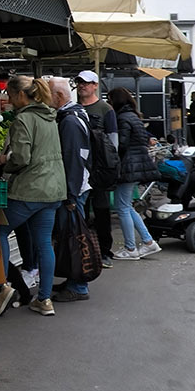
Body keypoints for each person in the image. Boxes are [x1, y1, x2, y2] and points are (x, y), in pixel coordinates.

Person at [0, 75, 65, 317]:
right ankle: (44, 300)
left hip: (29, 189)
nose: (9, 101)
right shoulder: (50, 116)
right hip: (53, 188)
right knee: (44, 243)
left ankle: (2, 287)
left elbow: (22, 158)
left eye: (10, 96)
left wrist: (4, 161)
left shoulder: (23, 119)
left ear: (21, 96)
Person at [47, 75, 93, 301]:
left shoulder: (70, 121)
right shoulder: (74, 114)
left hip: (74, 189)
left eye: (48, 95)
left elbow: (73, 159)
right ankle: (74, 279)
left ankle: (79, 285)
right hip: (77, 186)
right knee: (71, 236)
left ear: (59, 96)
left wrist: (70, 195)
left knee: (75, 237)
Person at [107, 88, 161, 259]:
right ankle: (148, 242)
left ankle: (130, 248)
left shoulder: (122, 118)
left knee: (122, 207)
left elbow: (121, 145)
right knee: (127, 206)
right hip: (136, 166)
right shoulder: (134, 116)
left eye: (110, 99)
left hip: (127, 167)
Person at [75, 69, 119, 268]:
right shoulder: (73, 108)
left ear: (95, 85)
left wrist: (107, 166)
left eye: (86, 82)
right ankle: (82, 252)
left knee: (101, 211)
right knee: (80, 212)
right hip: (79, 168)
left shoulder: (105, 109)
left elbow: (113, 141)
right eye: (79, 82)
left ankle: (104, 251)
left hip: (99, 169)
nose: (82, 85)